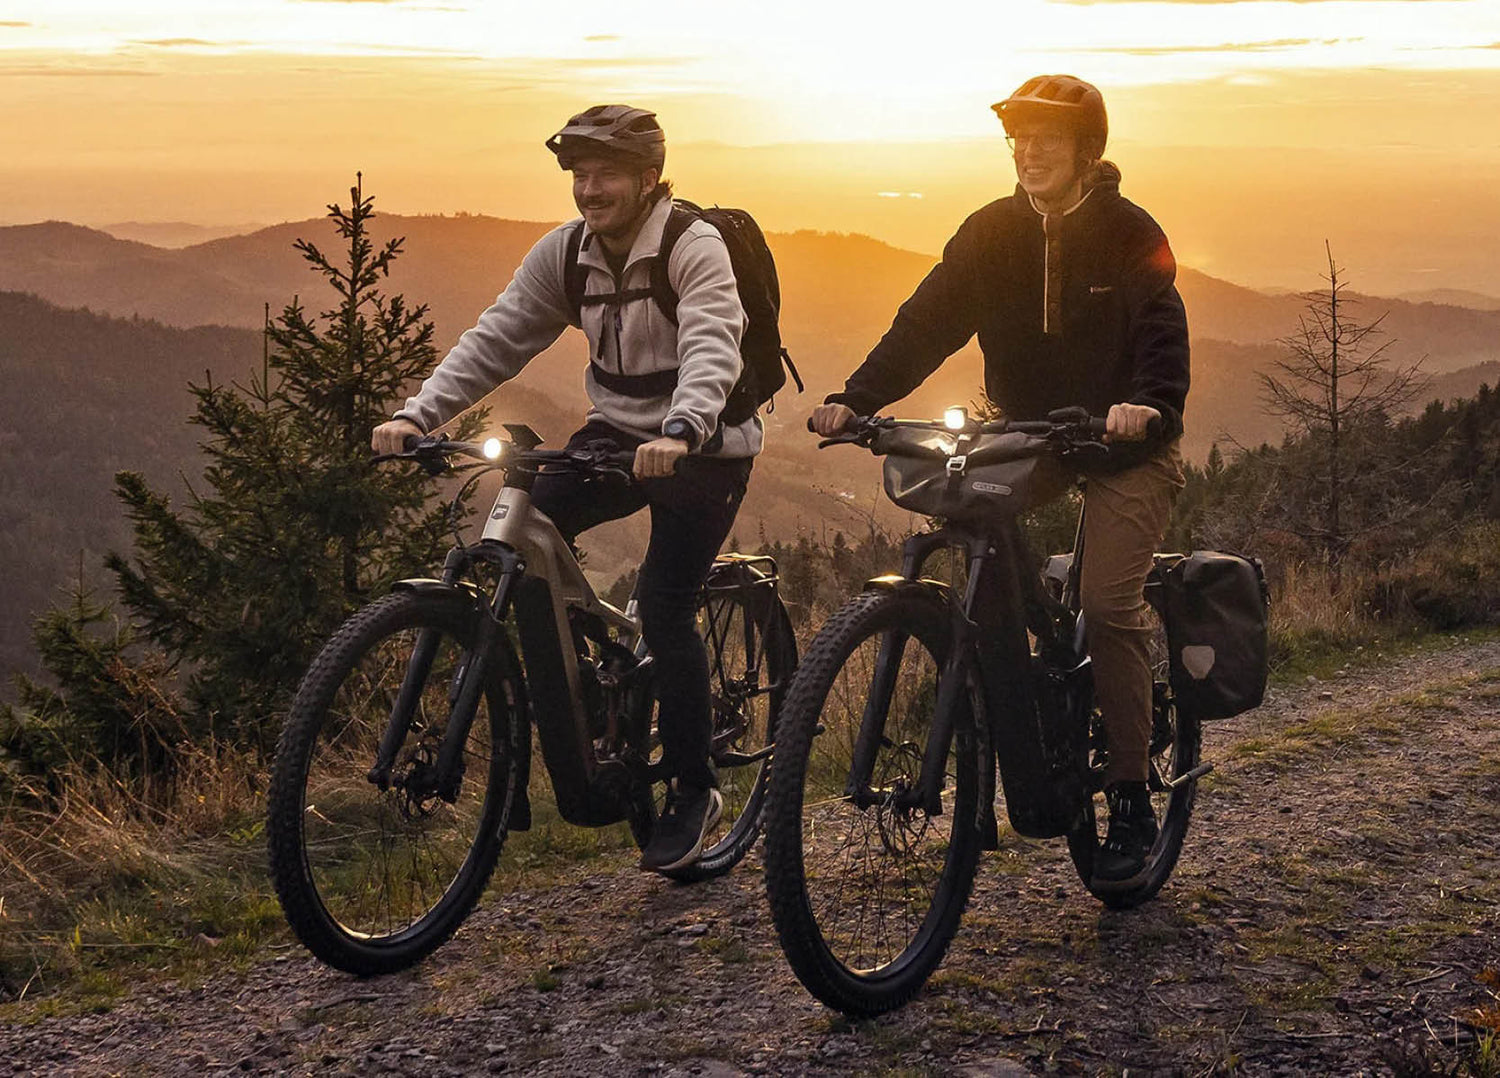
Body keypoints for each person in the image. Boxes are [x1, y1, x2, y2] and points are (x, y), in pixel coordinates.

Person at [809, 74, 1190, 890]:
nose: (1028, 151)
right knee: (972, 527)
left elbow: (1162, 321)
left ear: (1087, 149)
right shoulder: (990, 232)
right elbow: (927, 320)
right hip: (1029, 438)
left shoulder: (1130, 230)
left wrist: (1150, 406)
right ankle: (1020, 708)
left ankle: (1128, 794)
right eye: (1018, 137)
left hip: (1127, 443)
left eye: (1046, 138)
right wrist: (856, 398)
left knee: (1106, 607)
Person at [372, 104, 758, 874]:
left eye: (606, 174)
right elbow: (499, 335)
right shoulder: (567, 254)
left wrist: (681, 431)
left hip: (704, 442)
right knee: (525, 524)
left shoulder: (693, 244)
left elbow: (716, 340)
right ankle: (588, 699)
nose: (589, 189)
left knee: (668, 600)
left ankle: (692, 789)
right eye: (579, 176)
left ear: (648, 179)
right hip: (616, 431)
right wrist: (419, 413)